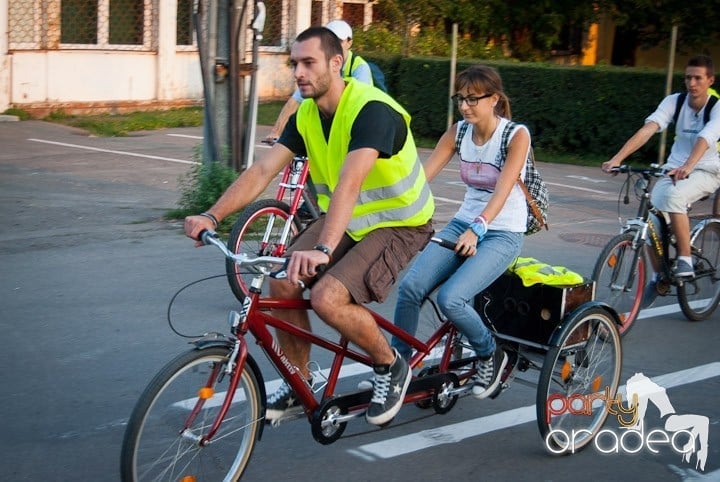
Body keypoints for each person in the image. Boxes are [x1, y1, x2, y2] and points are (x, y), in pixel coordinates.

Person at [184, 26, 434, 426]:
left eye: (308, 63)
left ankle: (390, 365)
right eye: (294, 64)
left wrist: (322, 249)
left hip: (400, 222)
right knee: (281, 281)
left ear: (336, 63)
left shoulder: (371, 110)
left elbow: (350, 184)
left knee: (327, 298)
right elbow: (263, 168)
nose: (298, 72)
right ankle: (299, 380)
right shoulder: (307, 114)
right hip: (350, 219)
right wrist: (212, 214)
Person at [391, 65, 530, 399]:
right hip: (463, 223)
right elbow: (422, 179)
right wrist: (390, 209)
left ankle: (489, 353)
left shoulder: (515, 135)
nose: (465, 106)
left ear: (494, 99)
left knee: (451, 298)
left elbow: (502, 190)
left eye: (473, 99)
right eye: (461, 99)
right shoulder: (458, 133)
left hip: (502, 230)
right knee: (410, 287)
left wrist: (478, 228)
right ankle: (396, 369)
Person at [602, 55, 720, 307]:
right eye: (688, 77)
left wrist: (688, 165)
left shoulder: (716, 106)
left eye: (698, 78)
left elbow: (706, 137)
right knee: (652, 218)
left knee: (674, 198)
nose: (692, 83)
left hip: (708, 170)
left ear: (710, 80)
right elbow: (649, 128)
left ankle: (685, 259)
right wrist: (617, 158)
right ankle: (660, 276)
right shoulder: (674, 102)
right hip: (674, 170)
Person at [264, 19, 373, 143]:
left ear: (349, 43)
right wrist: (275, 132)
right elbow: (295, 101)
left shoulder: (360, 68)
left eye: (339, 41)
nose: (298, 73)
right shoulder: (316, 71)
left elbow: (357, 105)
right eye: (329, 41)